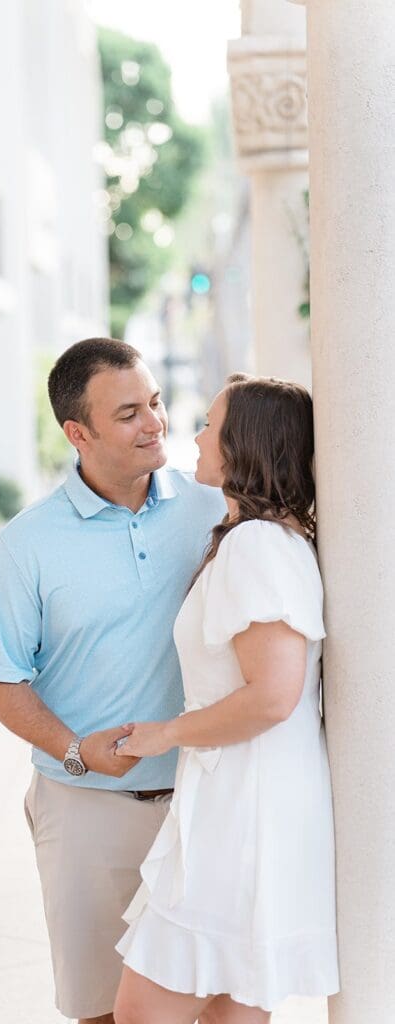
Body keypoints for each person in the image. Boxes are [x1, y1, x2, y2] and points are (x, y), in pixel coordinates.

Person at [0, 337, 225, 1024]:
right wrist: (77, 749)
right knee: (103, 1010)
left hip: (208, 801)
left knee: (219, 1004)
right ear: (77, 433)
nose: (155, 423)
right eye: (128, 414)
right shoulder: (24, 545)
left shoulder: (213, 509)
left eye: (155, 403)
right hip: (88, 809)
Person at [112, 373, 340, 1024]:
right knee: (227, 1013)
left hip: (244, 811)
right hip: (246, 801)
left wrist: (163, 734)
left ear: (246, 444)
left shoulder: (257, 545)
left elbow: (272, 697)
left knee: (142, 1012)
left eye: (210, 425)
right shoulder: (266, 539)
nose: (196, 436)